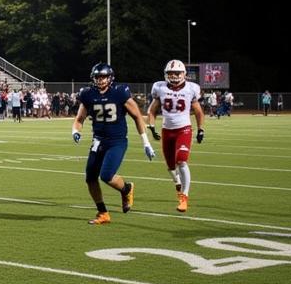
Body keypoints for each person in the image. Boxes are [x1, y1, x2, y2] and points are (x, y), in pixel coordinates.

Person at [71, 62, 155, 224]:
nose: (101, 80)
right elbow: (79, 119)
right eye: (98, 77)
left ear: (110, 78)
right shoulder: (88, 94)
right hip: (98, 141)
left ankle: (126, 189)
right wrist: (75, 131)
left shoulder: (119, 92)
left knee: (107, 175)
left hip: (116, 141)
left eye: (103, 77)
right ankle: (103, 213)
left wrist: (146, 142)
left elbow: (137, 116)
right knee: (90, 178)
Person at [146, 59, 205, 213]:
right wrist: (151, 127)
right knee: (171, 166)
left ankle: (184, 197)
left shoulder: (191, 88)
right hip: (167, 130)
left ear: (184, 73)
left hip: (183, 129)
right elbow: (152, 110)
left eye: (177, 73)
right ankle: (178, 184)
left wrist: (200, 129)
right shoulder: (159, 88)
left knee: (182, 160)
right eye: (171, 73)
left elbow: (198, 111)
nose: (174, 76)